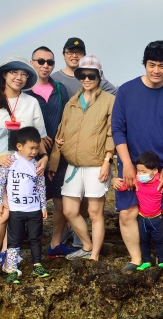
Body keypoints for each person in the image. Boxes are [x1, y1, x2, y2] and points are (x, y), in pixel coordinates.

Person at [112, 40, 163, 270]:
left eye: (162, 66)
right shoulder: (126, 91)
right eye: (152, 64)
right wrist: (126, 163)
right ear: (145, 64)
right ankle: (136, 259)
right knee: (128, 213)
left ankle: (161, 259)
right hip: (133, 165)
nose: (156, 70)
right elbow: (118, 129)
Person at [0, 58, 48, 281]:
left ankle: (8, 261)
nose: (19, 78)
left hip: (22, 169)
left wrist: (43, 158)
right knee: (2, 212)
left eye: (24, 74)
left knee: (13, 213)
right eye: (14, 73)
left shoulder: (31, 103)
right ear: (4, 76)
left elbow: (39, 138)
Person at [48, 55, 114, 262]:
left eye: (91, 75)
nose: (86, 79)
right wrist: (56, 154)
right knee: (69, 210)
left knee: (95, 212)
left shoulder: (110, 101)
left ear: (99, 76)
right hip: (73, 165)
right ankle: (87, 244)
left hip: (97, 165)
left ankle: (94, 255)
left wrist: (107, 160)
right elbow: (63, 129)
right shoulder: (72, 102)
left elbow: (112, 133)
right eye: (82, 75)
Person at [27, 46, 74, 257]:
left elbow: (67, 117)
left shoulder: (60, 88)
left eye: (50, 62)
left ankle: (55, 243)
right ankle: (25, 242)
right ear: (32, 63)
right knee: (30, 199)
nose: (45, 65)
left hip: (58, 153)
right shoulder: (24, 90)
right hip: (29, 153)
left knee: (60, 199)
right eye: (40, 61)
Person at [0, 126, 49, 283]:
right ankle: (11, 268)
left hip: (34, 209)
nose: (34, 152)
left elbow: (41, 186)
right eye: (31, 148)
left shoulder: (37, 165)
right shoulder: (10, 162)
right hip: (16, 210)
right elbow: (0, 183)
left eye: (37, 148)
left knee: (35, 238)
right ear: (19, 146)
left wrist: (43, 206)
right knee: (14, 240)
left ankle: (37, 264)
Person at [51, 37, 118, 97]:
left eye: (78, 52)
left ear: (84, 56)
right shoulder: (53, 79)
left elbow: (118, 96)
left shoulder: (94, 78)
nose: (74, 56)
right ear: (63, 55)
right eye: (70, 52)